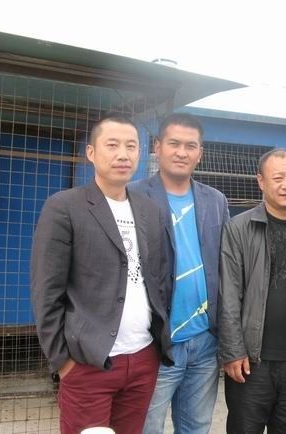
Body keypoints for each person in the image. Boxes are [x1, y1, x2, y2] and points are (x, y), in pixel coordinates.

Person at [30, 115, 172, 434]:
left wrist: (155, 348)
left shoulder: (149, 210)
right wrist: (63, 362)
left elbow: (158, 279)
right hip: (88, 362)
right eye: (112, 145)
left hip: (142, 358)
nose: (123, 154)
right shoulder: (65, 207)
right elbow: (46, 291)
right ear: (91, 153)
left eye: (131, 146)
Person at [128, 113, 229, 434]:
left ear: (200, 152)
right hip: (156, 341)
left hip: (205, 340)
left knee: (196, 427)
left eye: (190, 146)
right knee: (147, 427)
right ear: (157, 147)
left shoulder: (215, 200)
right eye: (174, 143)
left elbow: (227, 267)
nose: (182, 152)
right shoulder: (132, 196)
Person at [218, 148, 286, 434]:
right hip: (252, 360)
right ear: (261, 181)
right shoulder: (239, 228)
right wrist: (233, 351)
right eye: (278, 178)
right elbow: (229, 293)